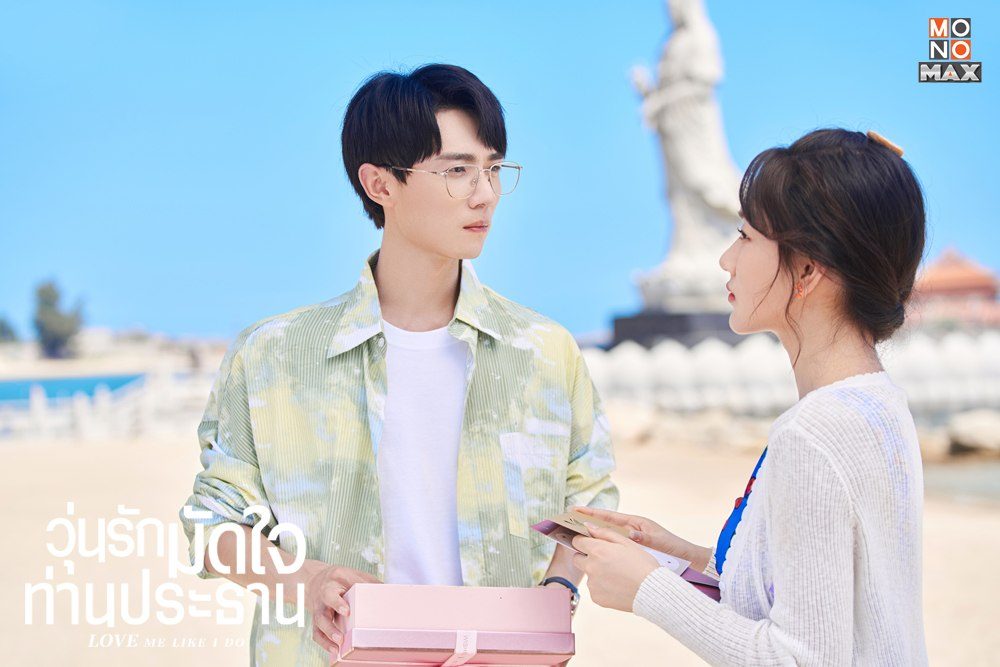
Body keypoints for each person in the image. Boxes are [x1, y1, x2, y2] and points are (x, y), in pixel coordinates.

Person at [179, 63, 618, 665]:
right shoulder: (273, 354)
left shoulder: (543, 350)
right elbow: (213, 524)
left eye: (493, 168)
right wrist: (306, 580)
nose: (485, 193)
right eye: (457, 170)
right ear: (380, 184)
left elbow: (589, 501)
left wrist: (560, 590)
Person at [571, 128, 927, 665]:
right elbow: (811, 595)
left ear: (806, 269)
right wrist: (674, 554)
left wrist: (647, 589)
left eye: (744, 236)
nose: (726, 259)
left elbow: (803, 658)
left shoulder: (815, 433)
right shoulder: (878, 404)